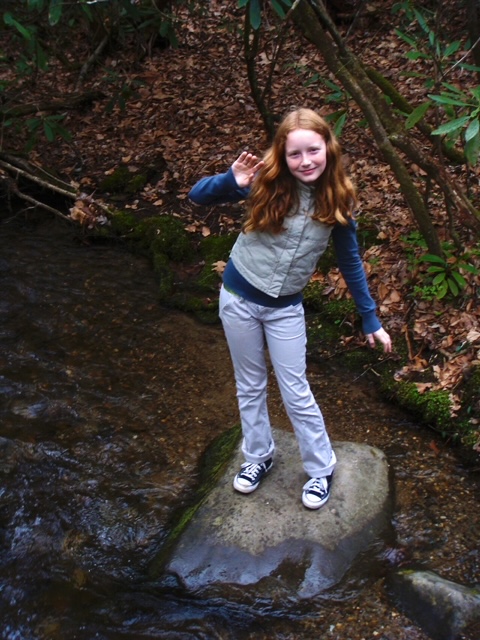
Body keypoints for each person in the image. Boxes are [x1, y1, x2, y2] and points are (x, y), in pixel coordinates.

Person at [189, 107, 392, 510]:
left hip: (285, 309)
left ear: (328, 148)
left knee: (296, 390)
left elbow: (350, 261)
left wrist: (369, 316)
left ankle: (321, 469)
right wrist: (230, 181)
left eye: (312, 150)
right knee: (249, 385)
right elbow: (197, 196)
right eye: (294, 154)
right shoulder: (263, 181)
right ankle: (257, 457)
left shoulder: (338, 198)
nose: (305, 161)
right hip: (239, 298)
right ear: (281, 156)